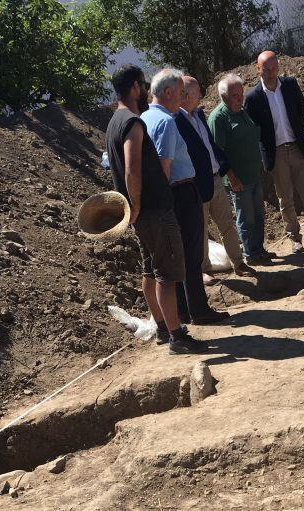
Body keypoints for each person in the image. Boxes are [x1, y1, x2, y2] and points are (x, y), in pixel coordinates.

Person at [104, 64, 206, 354]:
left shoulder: (115, 121)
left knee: (150, 270)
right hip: (154, 210)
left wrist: (133, 208)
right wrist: (136, 204)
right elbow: (132, 166)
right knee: (167, 272)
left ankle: (163, 328)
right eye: (143, 85)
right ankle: (176, 336)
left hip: (142, 213)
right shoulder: (133, 123)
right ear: (135, 87)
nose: (146, 90)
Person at [141, 68, 229, 325]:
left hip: (165, 198)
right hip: (179, 192)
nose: (183, 97)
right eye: (180, 93)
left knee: (174, 259)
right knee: (191, 256)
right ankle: (198, 310)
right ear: (168, 92)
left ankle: (181, 311)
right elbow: (164, 167)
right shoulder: (167, 121)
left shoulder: (145, 117)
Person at [174, 75, 256, 283]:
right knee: (200, 230)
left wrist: (228, 172)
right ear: (184, 95)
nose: (201, 95)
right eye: (196, 92)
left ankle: (238, 262)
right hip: (195, 183)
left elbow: (212, 146)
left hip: (215, 179)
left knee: (227, 223)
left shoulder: (200, 115)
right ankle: (203, 269)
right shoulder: (175, 120)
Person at [245, 51, 304, 254]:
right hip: (276, 153)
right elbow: (254, 127)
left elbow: (301, 111)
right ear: (258, 69)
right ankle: (295, 239)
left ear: (278, 67)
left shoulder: (290, 85)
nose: (271, 73)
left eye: (274, 68)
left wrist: (296, 132)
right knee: (285, 198)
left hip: (297, 147)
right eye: (266, 69)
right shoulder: (254, 97)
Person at [208, 73, 276, 265]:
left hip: (253, 175)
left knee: (258, 215)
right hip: (237, 180)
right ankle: (250, 254)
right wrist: (232, 177)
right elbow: (217, 153)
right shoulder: (218, 118)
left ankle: (258, 249)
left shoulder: (242, 111)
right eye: (235, 96)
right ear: (223, 97)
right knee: (246, 218)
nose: (240, 98)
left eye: (241, 94)